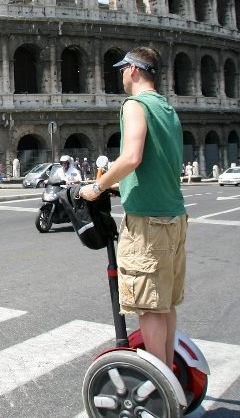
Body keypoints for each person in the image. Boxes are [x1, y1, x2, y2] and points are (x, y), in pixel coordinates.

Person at [79, 47, 187, 369]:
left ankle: (158, 388)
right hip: (174, 216)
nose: (122, 75)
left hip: (148, 223)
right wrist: (119, 184)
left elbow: (131, 158)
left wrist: (96, 187)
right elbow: (158, 165)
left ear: (135, 70)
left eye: (123, 69)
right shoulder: (168, 109)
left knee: (148, 307)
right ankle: (168, 378)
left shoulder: (134, 105)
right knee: (164, 303)